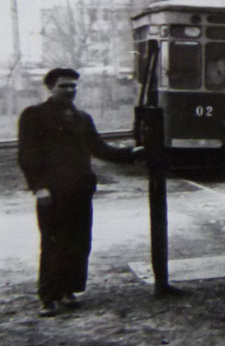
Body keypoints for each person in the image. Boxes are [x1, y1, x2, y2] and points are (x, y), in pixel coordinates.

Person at [17, 68, 143, 317]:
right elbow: (27, 156)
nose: (70, 90)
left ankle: (68, 290)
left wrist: (130, 154)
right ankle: (48, 297)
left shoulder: (82, 118)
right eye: (64, 86)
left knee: (78, 242)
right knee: (53, 243)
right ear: (50, 88)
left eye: (73, 86)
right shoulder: (34, 115)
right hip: (52, 192)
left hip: (80, 190)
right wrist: (39, 188)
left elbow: (99, 148)